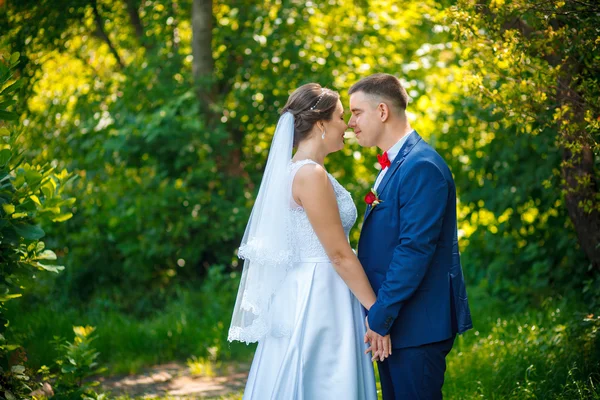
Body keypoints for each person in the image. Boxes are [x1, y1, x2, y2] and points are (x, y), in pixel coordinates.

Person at [228, 83, 388, 399]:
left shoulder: (301, 171)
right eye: (342, 117)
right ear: (320, 123)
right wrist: (379, 311)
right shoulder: (310, 175)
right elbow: (339, 254)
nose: (348, 125)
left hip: (311, 285)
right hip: (321, 294)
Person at [349, 73, 473, 400]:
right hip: (399, 323)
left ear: (382, 111)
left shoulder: (422, 166)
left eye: (356, 112)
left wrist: (380, 316)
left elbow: (414, 250)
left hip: (417, 323)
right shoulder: (395, 163)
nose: (350, 123)